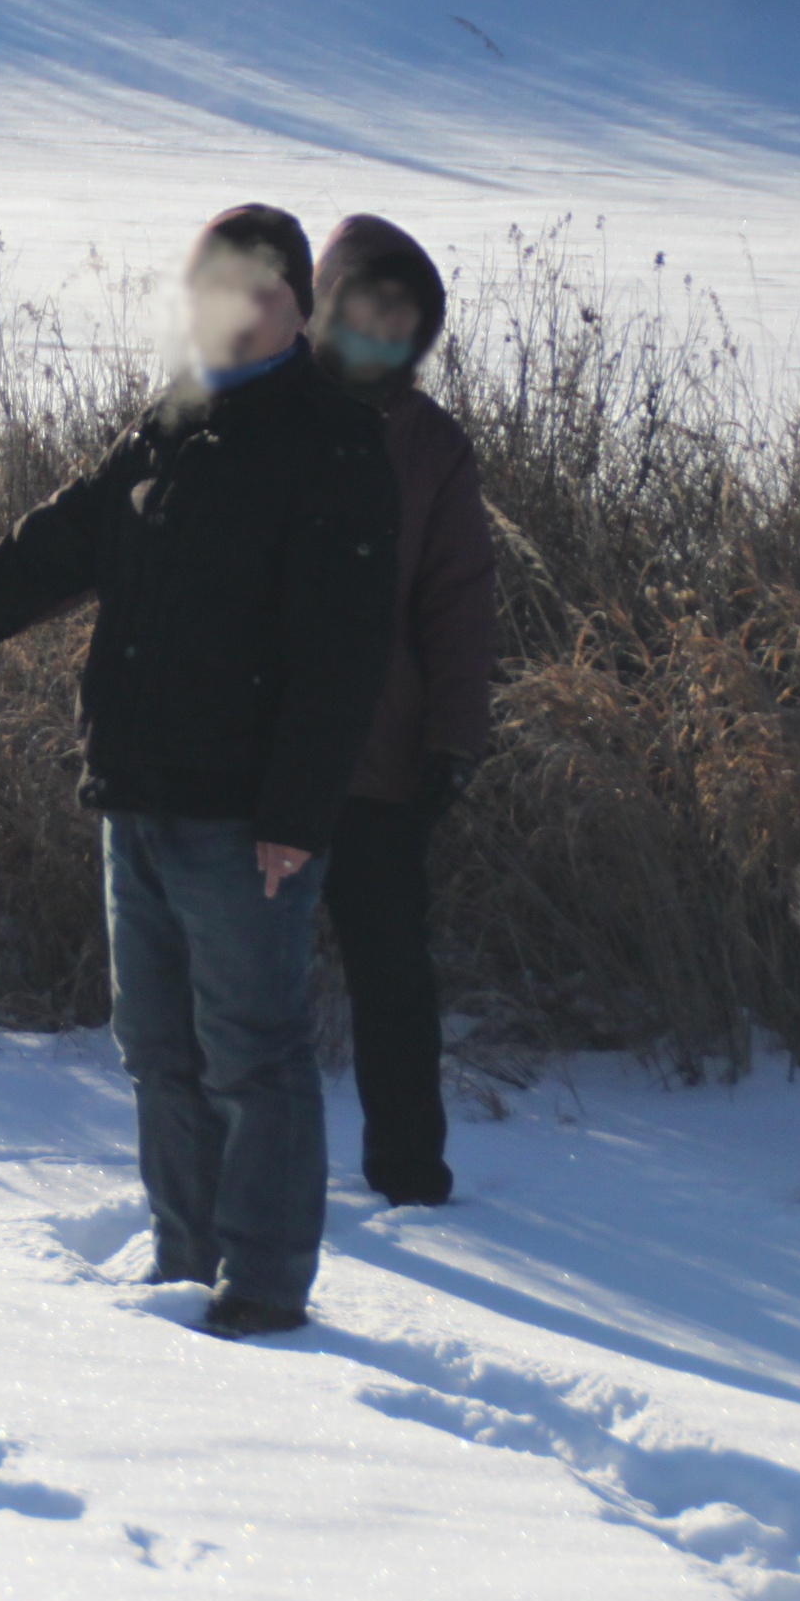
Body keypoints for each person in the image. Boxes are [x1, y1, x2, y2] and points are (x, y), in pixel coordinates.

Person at [0, 205, 403, 1337]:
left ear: (298, 307)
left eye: (253, 293)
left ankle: (268, 1289)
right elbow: (42, 556)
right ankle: (186, 1270)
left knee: (254, 1052)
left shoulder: (333, 445)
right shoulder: (169, 430)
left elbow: (345, 659)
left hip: (249, 823)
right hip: (135, 799)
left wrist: (296, 812)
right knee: (158, 1054)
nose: (226, 314)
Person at [309, 216, 497, 1209]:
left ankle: (410, 1172)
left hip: (378, 766)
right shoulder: (260, 413)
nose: (386, 329)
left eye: (406, 317)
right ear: (326, 304)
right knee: (241, 990)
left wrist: (453, 742)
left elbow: (459, 603)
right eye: (369, 307)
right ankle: (237, 1171)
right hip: (250, 761)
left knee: (394, 980)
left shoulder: (431, 448)